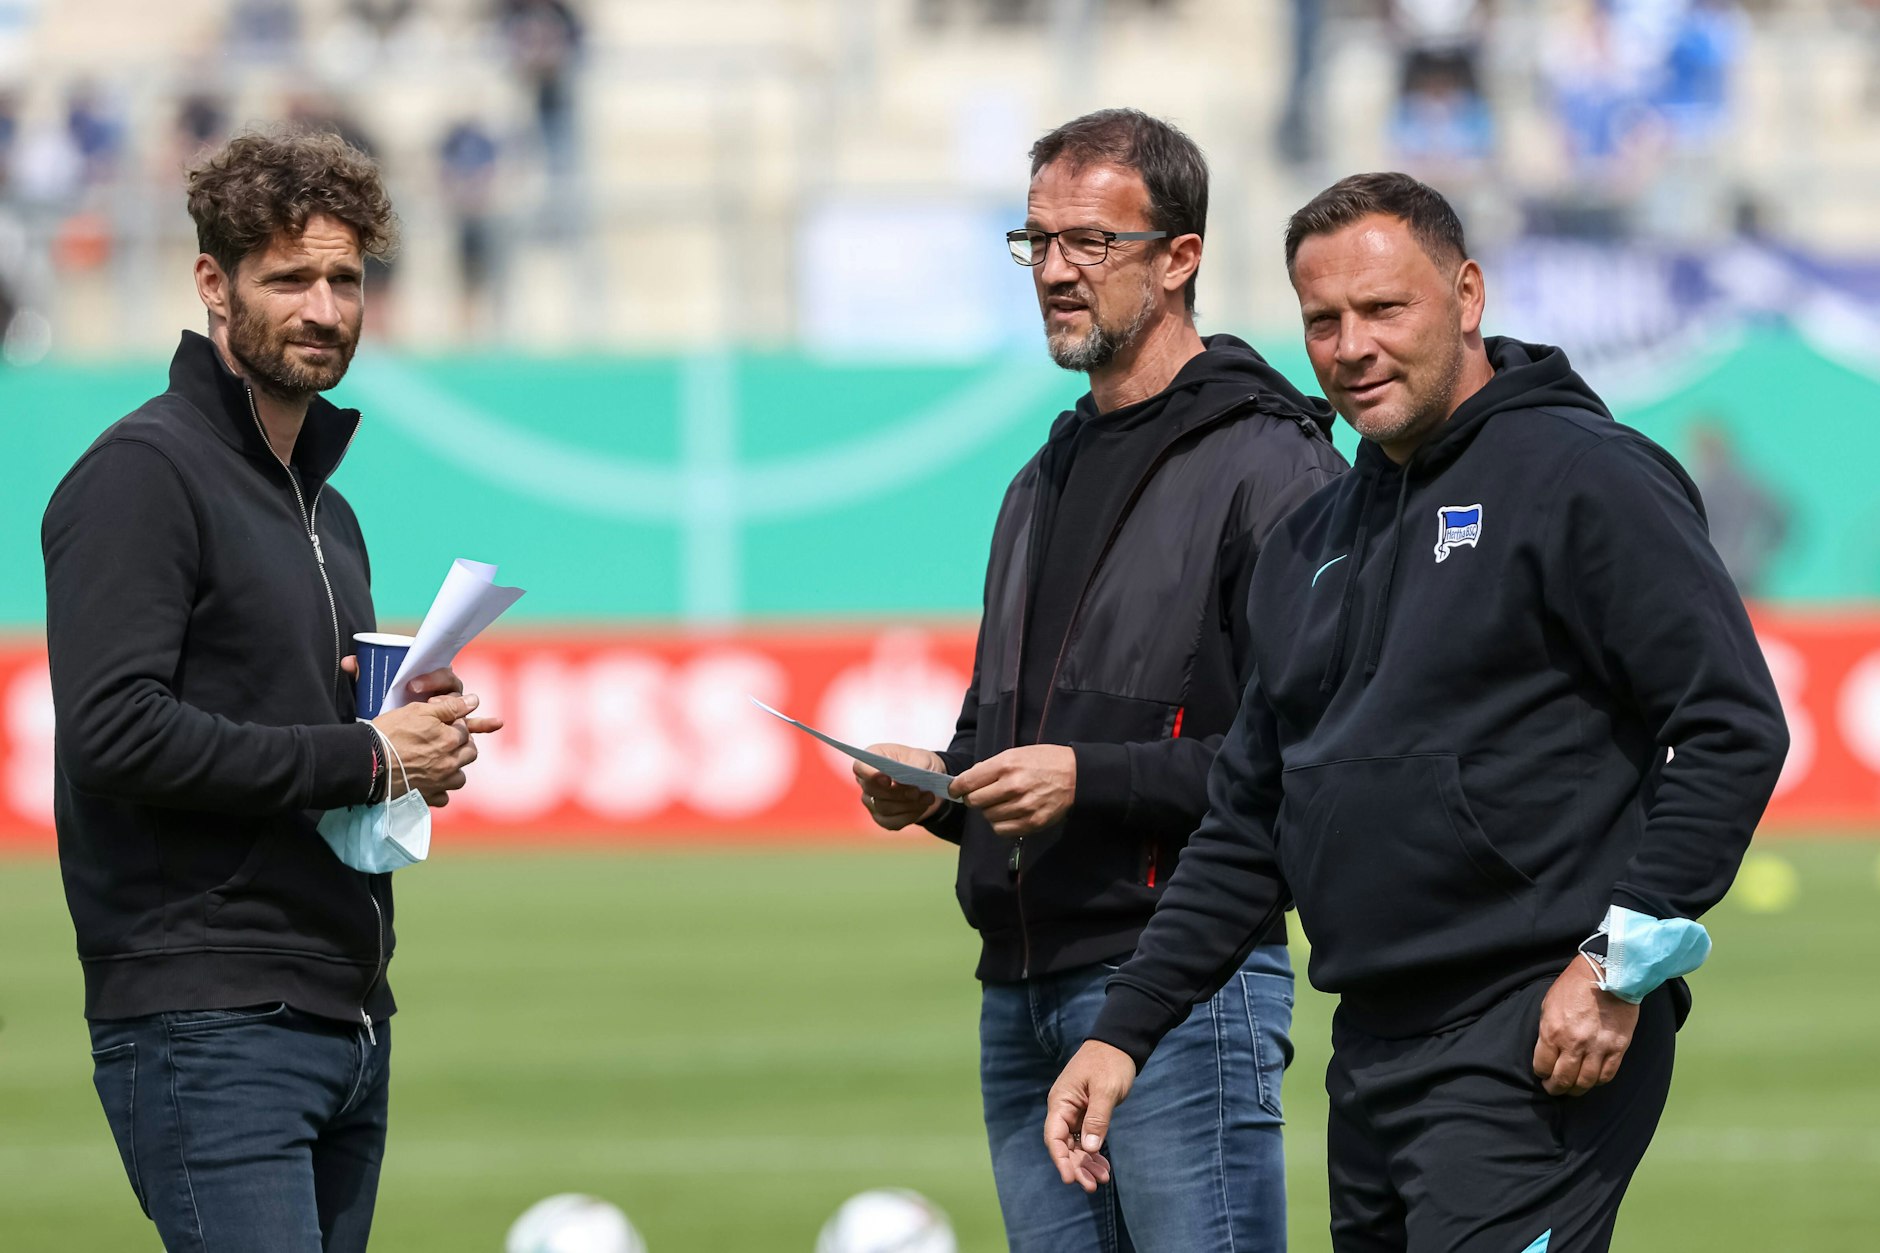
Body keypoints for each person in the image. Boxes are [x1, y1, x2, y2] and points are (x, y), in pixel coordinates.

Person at [1044, 172, 1789, 1252]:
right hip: (1374, 1050)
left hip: (1533, 1030)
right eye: (1322, 320)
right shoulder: (1310, 539)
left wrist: (1615, 960)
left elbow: (1729, 722)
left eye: (1383, 309)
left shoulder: (1585, 475)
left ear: (1466, 294)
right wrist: (1124, 1030)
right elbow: (1251, 814)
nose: (1350, 345)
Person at [855, 109, 1346, 1253]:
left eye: (1091, 242)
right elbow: (996, 736)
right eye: (1035, 242)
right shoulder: (1037, 479)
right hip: (1019, 984)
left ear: (1178, 258)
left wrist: (1089, 775)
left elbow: (1308, 757)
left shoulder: (1271, 462)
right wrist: (940, 784)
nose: (1055, 273)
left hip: (1181, 982)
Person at [41, 129, 500, 1253]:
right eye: (289, 276)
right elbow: (114, 731)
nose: (324, 308)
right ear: (214, 282)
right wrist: (370, 756)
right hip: (206, 1011)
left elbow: (301, 732)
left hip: (342, 1007)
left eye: (344, 277)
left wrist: (404, 725)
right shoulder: (141, 475)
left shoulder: (325, 510)